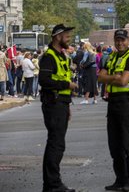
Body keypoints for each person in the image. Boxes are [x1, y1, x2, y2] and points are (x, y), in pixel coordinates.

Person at [98, 29, 129, 192]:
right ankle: (120, 179)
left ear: (128, 40)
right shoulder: (112, 57)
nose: (120, 43)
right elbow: (100, 77)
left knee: (128, 143)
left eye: (122, 40)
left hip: (127, 103)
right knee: (114, 144)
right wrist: (113, 77)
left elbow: (123, 81)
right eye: (117, 40)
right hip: (113, 103)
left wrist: (113, 78)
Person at [39, 24, 78, 192]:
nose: (69, 38)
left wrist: (67, 104)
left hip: (60, 103)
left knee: (57, 143)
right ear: (57, 36)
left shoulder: (62, 56)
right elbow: (44, 81)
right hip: (53, 104)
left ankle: (52, 183)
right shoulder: (49, 57)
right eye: (67, 36)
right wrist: (67, 84)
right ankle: (52, 184)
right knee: (56, 144)